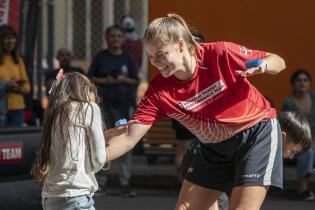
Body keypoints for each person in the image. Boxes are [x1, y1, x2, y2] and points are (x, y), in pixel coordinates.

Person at [105, 13, 286, 210]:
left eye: (160, 53)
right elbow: (130, 137)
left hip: (256, 134)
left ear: (181, 45)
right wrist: (89, 160)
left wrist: (264, 66)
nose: (155, 62)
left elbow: (278, 61)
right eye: (150, 56)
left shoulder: (220, 53)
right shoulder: (158, 91)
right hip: (214, 147)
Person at [179, 111, 312, 210]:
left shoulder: (251, 126)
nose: (291, 157)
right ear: (281, 138)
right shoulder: (264, 139)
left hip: (199, 153)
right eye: (293, 151)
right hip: (202, 158)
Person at [32, 71, 106, 210]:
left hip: (50, 198)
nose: (95, 96)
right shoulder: (89, 108)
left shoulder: (54, 112)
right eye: (91, 89)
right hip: (76, 195)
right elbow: (99, 160)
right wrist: (90, 168)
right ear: (83, 89)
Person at [88, 25, 139, 197]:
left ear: (123, 39)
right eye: (112, 36)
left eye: (118, 36)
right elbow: (90, 78)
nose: (115, 39)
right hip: (104, 107)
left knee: (125, 141)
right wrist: (105, 80)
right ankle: (101, 183)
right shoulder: (100, 57)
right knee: (102, 142)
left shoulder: (128, 58)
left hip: (124, 107)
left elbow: (136, 80)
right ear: (106, 38)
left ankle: (125, 183)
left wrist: (124, 79)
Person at [282, 69, 315, 201]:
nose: (302, 83)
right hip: (298, 141)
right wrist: (308, 142)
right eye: (299, 80)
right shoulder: (288, 103)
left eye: (305, 80)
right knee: (308, 151)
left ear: (310, 83)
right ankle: (303, 188)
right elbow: (289, 128)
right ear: (293, 84)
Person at [0, 24, 31, 126]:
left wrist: (17, 88)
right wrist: (6, 85)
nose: (11, 41)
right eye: (7, 38)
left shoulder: (18, 60)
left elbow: (27, 87)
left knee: (15, 140)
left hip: (18, 108)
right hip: (1, 109)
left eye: (13, 38)